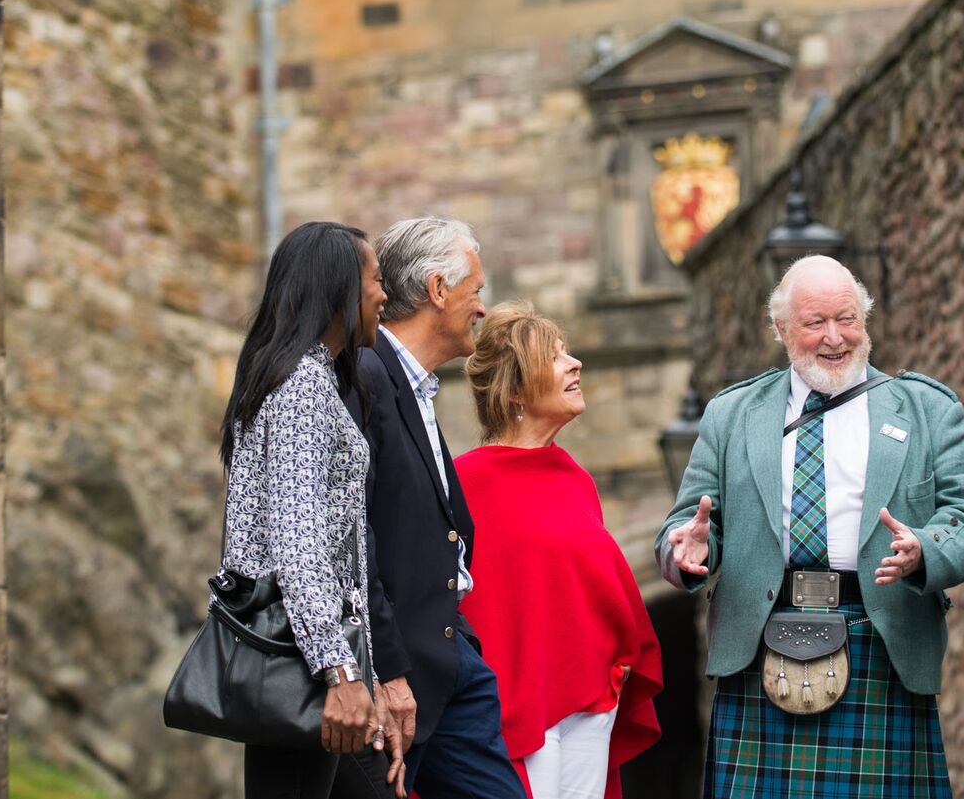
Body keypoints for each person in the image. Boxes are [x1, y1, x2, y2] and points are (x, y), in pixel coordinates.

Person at [655, 254, 964, 798]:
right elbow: (686, 526)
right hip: (759, 649)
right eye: (816, 323)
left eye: (848, 319)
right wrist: (690, 551)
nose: (835, 338)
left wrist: (926, 549)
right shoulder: (733, 414)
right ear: (782, 330)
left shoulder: (926, 410)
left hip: (877, 641)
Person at [216, 222, 402, 798]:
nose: (383, 296)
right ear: (338, 290)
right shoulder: (299, 385)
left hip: (315, 667)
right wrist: (340, 672)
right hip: (303, 669)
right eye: (375, 281)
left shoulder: (309, 378)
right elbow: (298, 541)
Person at [455, 303, 664, 799]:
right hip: (510, 708)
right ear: (514, 391)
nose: (575, 364)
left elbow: (592, 585)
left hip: (590, 700)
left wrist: (614, 669)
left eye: (568, 352)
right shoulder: (463, 482)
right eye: (555, 357)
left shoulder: (573, 478)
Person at [353, 216, 527, 799]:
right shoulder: (365, 375)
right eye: (475, 291)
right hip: (395, 673)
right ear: (436, 290)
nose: (481, 307)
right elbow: (353, 537)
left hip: (450, 663)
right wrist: (387, 669)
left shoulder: (417, 383)